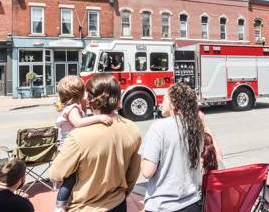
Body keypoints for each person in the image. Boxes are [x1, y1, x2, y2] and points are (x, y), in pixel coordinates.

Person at [50, 73, 141, 212]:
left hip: (84, 207)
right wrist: (121, 196)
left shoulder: (78, 136)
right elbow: (133, 174)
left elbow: (56, 174)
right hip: (118, 204)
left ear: (91, 99)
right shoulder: (132, 129)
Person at [141, 83, 205, 212]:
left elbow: (147, 171)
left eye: (164, 99)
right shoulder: (196, 126)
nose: (161, 102)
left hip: (163, 205)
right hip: (192, 202)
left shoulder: (159, 127)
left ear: (173, 103)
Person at [54, 75, 113, 212]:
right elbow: (78, 123)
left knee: (75, 176)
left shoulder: (75, 106)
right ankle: (60, 205)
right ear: (79, 93)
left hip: (73, 145)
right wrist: (98, 117)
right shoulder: (73, 109)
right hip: (69, 146)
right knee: (70, 178)